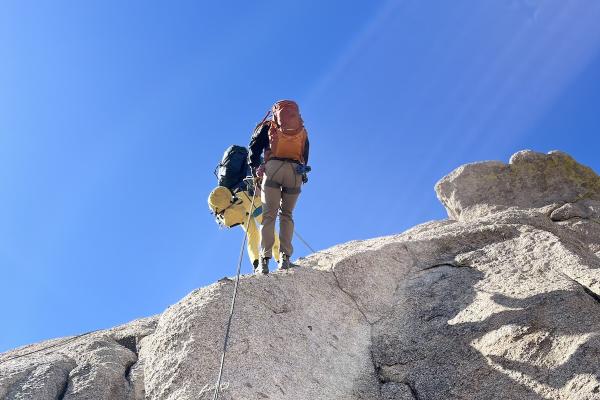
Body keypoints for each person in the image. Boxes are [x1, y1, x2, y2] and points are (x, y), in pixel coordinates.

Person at [248, 100, 310, 274]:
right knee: (287, 214)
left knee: (269, 216)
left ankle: (264, 261)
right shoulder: (301, 130)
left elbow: (253, 149)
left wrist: (256, 168)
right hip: (295, 172)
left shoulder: (268, 126)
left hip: (273, 168)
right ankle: (285, 259)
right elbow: (305, 154)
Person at [207, 185, 280, 271]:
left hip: (236, 207)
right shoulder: (242, 172)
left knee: (252, 234)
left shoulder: (223, 178)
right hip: (249, 198)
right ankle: (280, 258)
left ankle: (256, 263)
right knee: (267, 226)